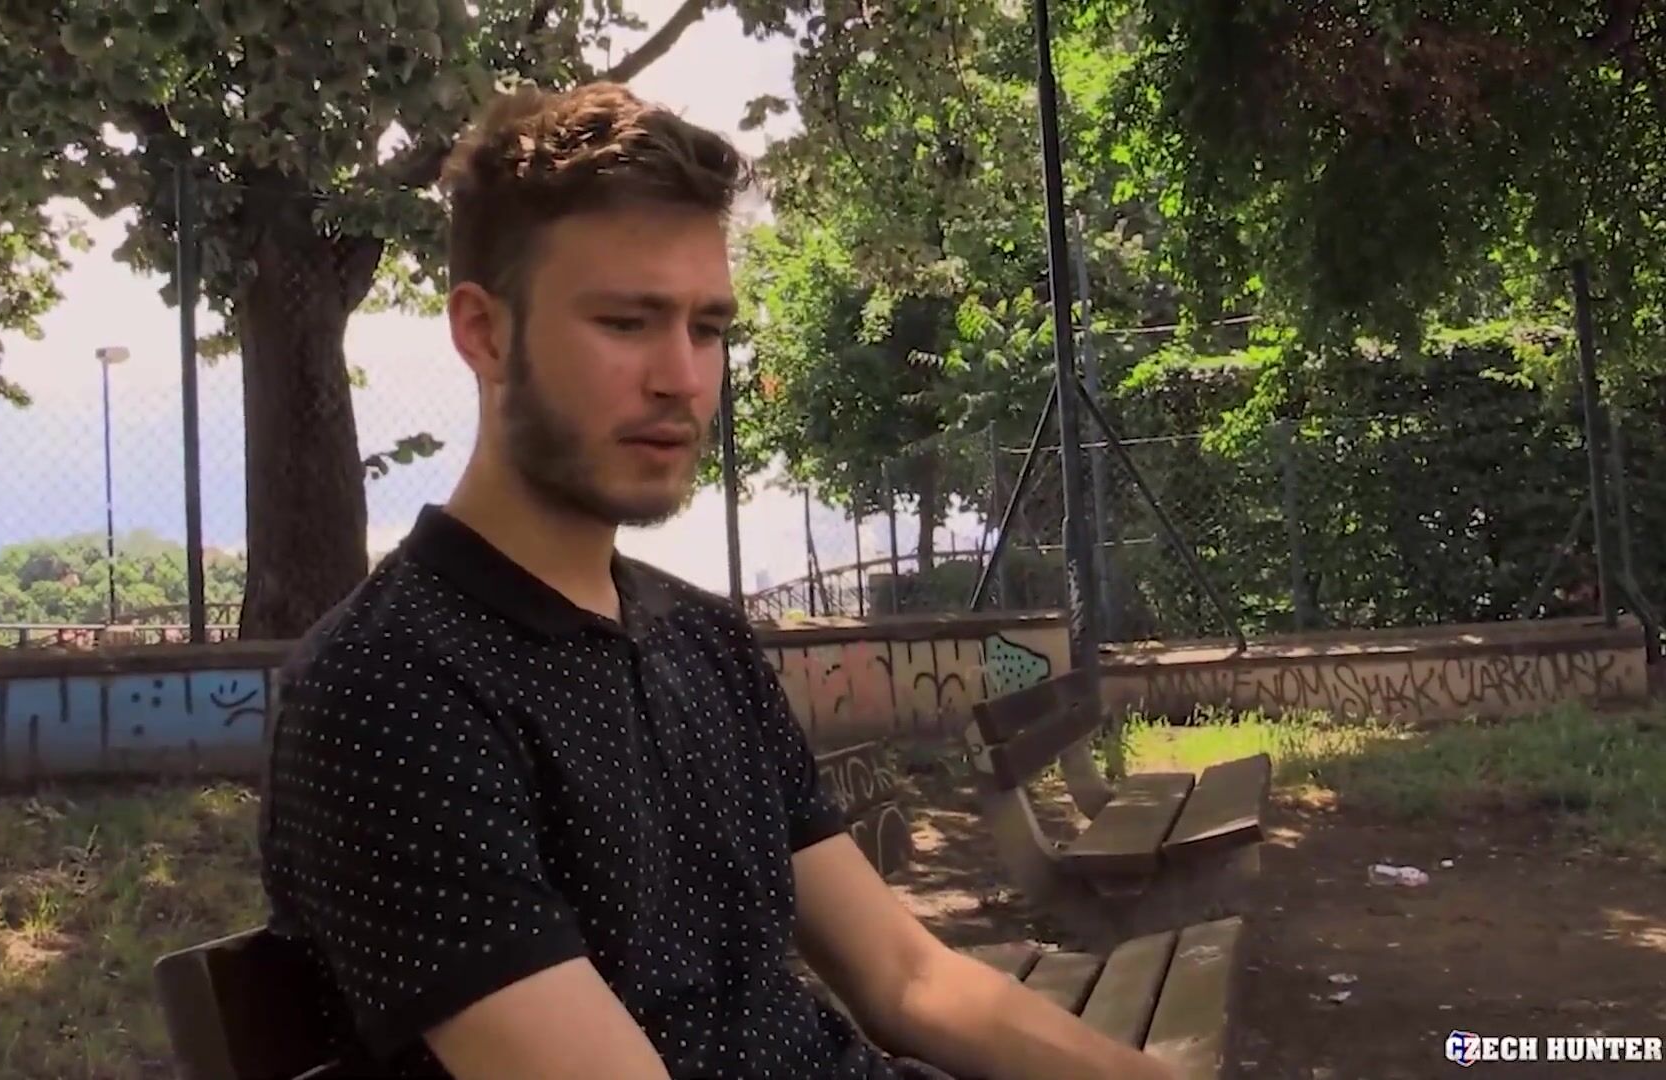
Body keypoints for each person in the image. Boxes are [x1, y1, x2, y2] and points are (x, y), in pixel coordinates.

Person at [260, 82, 1180, 1080]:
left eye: (707, 328)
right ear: (483, 332)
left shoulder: (701, 640)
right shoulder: (393, 691)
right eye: (627, 322)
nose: (684, 378)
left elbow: (908, 977)